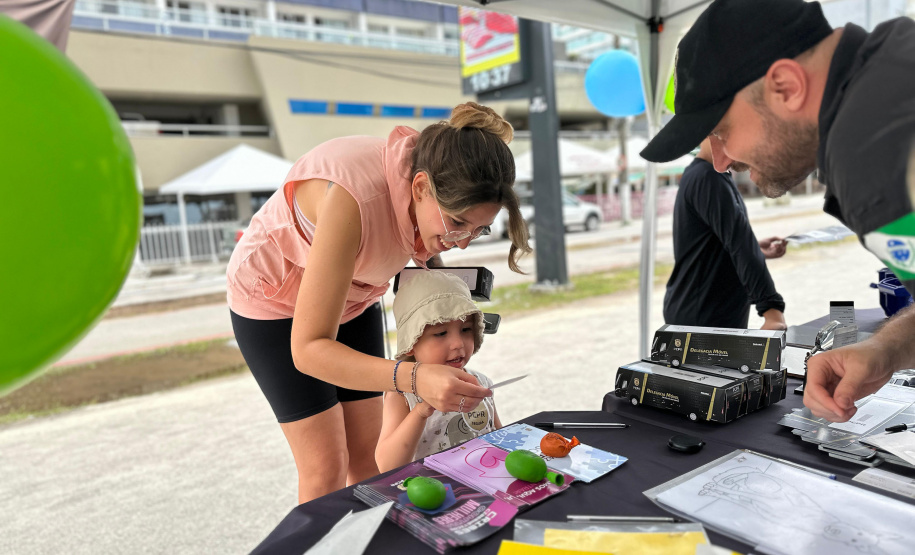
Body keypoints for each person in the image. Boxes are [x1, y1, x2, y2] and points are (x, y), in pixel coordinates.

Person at [226, 102, 531, 503]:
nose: (462, 243)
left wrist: (451, 319)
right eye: (458, 223)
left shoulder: (442, 171)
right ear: (419, 187)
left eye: (479, 230)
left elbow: (425, 259)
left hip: (357, 292)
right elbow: (309, 349)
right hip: (275, 302)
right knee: (325, 467)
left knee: (369, 460)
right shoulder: (355, 199)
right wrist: (416, 377)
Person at [640, 0, 915, 423]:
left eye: (720, 132)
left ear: (786, 86)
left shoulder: (871, 151)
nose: (720, 161)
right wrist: (886, 349)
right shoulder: (893, 57)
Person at [375, 270, 503, 472]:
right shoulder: (402, 394)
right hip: (432, 487)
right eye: (441, 333)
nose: (458, 343)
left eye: (466, 330)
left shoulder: (480, 382)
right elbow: (387, 465)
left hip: (483, 479)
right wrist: (421, 411)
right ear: (411, 343)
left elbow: (499, 437)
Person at [664, 138, 787, 330]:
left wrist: (757, 249)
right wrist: (771, 310)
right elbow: (740, 243)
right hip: (703, 316)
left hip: (709, 310)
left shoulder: (709, 175)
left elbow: (722, 241)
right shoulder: (707, 178)